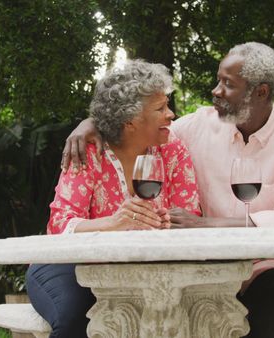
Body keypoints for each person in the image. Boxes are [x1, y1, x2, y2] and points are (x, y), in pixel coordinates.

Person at [62, 42, 274, 338]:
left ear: (260, 92)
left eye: (228, 84)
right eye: (218, 80)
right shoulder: (198, 126)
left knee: (267, 327)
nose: (215, 90)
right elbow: (139, 126)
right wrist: (92, 124)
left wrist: (209, 224)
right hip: (207, 273)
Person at [26, 59, 201, 338]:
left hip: (144, 268)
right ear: (130, 120)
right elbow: (59, 225)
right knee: (76, 316)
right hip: (69, 263)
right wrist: (114, 223)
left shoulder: (172, 150)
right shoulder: (88, 151)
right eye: (160, 108)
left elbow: (189, 216)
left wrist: (170, 222)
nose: (171, 115)